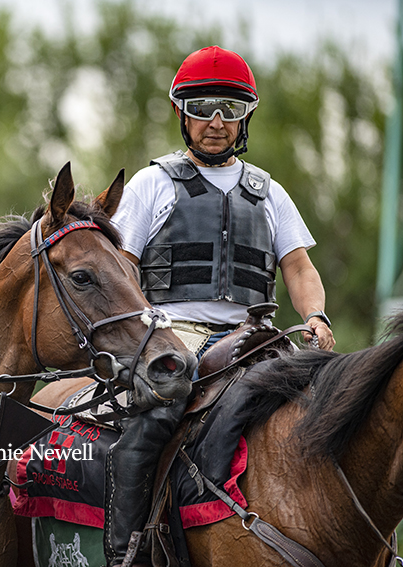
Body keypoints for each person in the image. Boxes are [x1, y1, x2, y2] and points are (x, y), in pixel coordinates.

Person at [104, 45, 335, 566]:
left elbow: (299, 269)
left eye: (229, 109)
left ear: (245, 117)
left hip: (254, 336)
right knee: (156, 416)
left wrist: (315, 316)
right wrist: (143, 332)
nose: (216, 121)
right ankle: (126, 552)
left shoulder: (270, 192)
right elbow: (120, 269)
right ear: (180, 112)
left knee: (324, 409)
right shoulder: (152, 184)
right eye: (202, 107)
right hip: (171, 335)